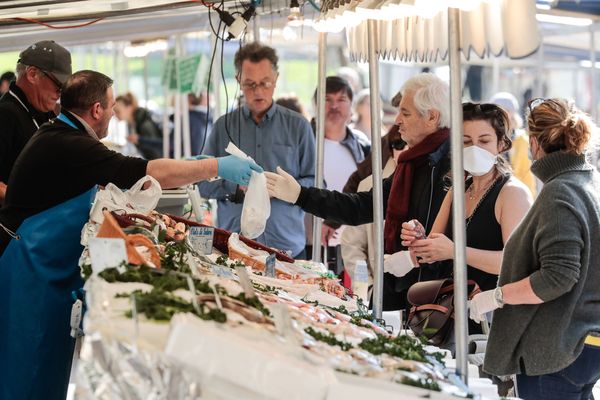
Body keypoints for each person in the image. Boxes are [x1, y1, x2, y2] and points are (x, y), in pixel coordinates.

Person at [0, 70, 262, 256]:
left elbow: (129, 170)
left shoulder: (62, 132)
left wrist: (187, 164)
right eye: (111, 106)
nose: (114, 113)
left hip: (33, 244)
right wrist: (215, 167)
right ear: (96, 110)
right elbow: (142, 173)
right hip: (25, 252)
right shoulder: (72, 143)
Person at [266, 72, 452, 311]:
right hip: (398, 293)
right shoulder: (412, 165)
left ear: (432, 117)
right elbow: (362, 206)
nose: (397, 121)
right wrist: (300, 195)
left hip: (434, 302)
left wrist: (413, 259)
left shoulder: (452, 168)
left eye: (405, 113)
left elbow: (456, 243)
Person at [469, 99, 600, 400]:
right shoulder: (587, 180)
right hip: (581, 344)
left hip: (557, 349)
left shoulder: (560, 192)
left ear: (537, 143)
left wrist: (499, 296)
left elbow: (557, 277)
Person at [400, 103, 532, 333]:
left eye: (484, 141)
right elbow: (433, 248)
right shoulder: (458, 189)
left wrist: (454, 251)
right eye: (466, 141)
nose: (474, 148)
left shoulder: (512, 193)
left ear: (501, 144)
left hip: (490, 320)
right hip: (447, 315)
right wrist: (418, 237)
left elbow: (514, 263)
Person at [198, 42, 315, 259]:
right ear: (238, 82)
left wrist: (285, 189)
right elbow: (202, 184)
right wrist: (234, 186)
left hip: (286, 246)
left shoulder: (298, 126)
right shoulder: (223, 127)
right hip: (235, 245)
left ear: (277, 79)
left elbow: (316, 183)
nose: (258, 92)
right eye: (250, 84)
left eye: (265, 83)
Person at [0, 40, 72, 204]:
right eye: (58, 85)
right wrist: (27, 201)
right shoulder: (6, 114)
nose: (60, 93)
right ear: (32, 74)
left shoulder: (43, 111)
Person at [309, 76, 371, 259]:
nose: (334, 106)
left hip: (351, 245)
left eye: (341, 100)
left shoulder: (362, 145)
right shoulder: (303, 142)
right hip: (309, 241)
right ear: (316, 106)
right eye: (327, 100)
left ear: (351, 106)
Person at [489, 92, 537, 197]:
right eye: (497, 110)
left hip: (516, 195)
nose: (502, 114)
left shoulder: (521, 140)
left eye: (506, 110)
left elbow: (527, 174)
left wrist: (530, 200)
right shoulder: (486, 138)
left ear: (513, 114)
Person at [114, 92, 163, 159]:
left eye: (117, 111)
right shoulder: (131, 124)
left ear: (129, 107)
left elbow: (157, 151)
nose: (115, 115)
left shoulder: (145, 124)